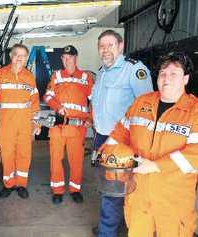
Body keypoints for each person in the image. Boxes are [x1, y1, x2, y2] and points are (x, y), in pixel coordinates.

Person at [99, 52, 198, 237]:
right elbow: (119, 134)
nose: (166, 78)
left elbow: (195, 154)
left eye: (174, 73)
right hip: (138, 194)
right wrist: (105, 153)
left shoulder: (195, 111)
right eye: (162, 73)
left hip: (172, 201)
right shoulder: (141, 103)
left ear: (185, 78)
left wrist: (155, 166)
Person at [92, 30, 153, 236]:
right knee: (110, 187)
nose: (105, 50)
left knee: (115, 189)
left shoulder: (134, 70)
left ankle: (106, 231)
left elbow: (148, 108)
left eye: (110, 45)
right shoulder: (101, 72)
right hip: (102, 137)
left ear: (120, 46)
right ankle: (113, 225)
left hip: (122, 142)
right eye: (102, 46)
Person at [0, 43, 40, 199]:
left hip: (25, 123)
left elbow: (35, 100)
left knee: (24, 154)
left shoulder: (29, 76)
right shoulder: (0, 74)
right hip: (7, 123)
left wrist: (35, 122)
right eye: (17, 55)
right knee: (7, 154)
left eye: (24, 56)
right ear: (11, 56)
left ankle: (21, 185)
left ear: (26, 59)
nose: (20, 58)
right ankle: (9, 184)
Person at [43, 45, 93, 204]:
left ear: (75, 58)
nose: (66, 60)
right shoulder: (56, 76)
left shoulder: (86, 77)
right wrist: (58, 107)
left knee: (76, 160)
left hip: (77, 127)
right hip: (58, 126)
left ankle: (75, 189)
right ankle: (57, 190)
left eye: (69, 57)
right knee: (55, 158)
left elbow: (94, 101)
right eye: (64, 58)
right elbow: (48, 96)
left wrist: (90, 120)